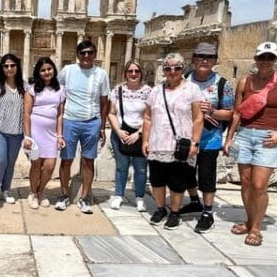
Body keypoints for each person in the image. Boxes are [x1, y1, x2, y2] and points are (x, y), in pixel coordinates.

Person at [223, 41, 277, 247]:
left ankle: (256, 228)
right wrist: (230, 137)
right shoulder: (245, 82)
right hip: (245, 135)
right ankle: (249, 221)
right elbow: (238, 112)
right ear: (256, 59)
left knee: (259, 185)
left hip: (269, 136)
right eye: (262, 57)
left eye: (270, 58)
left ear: (275, 60)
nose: (266, 61)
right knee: (246, 182)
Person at [141, 53, 203, 229]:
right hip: (157, 142)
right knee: (157, 180)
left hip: (180, 144)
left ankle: (175, 212)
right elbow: (147, 117)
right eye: (168, 68)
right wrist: (145, 141)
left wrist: (195, 142)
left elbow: (198, 118)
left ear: (182, 69)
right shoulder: (155, 91)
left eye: (176, 68)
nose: (172, 72)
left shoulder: (192, 90)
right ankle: (161, 208)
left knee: (177, 181)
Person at [180, 42, 234, 233]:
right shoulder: (184, 78)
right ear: (194, 59)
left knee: (206, 175)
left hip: (210, 138)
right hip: (186, 136)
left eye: (209, 57)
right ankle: (194, 201)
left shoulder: (222, 84)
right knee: (186, 172)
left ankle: (208, 212)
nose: (204, 60)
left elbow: (229, 114)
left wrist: (212, 110)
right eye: (200, 56)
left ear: (215, 61)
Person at [55, 40, 110, 214]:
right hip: (70, 120)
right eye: (83, 53)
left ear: (95, 54)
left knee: (88, 161)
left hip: (91, 122)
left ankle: (84, 198)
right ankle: (63, 194)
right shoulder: (67, 71)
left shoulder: (101, 74)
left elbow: (104, 101)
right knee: (66, 160)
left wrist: (101, 127)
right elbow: (58, 94)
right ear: (77, 55)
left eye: (90, 53)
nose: (86, 56)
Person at [107, 59, 151, 212]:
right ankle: (118, 195)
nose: (133, 74)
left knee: (140, 168)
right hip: (120, 133)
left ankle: (139, 197)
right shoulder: (118, 90)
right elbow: (111, 113)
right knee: (121, 166)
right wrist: (118, 131)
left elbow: (150, 116)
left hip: (140, 134)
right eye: (130, 71)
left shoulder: (148, 92)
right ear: (125, 73)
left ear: (141, 73)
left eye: (136, 71)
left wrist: (138, 134)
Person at [23, 57, 65, 209]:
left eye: (49, 69)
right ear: (38, 73)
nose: (47, 72)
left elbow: (60, 114)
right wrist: (28, 136)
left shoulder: (60, 89)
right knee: (36, 164)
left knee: (49, 165)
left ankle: (41, 192)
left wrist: (60, 135)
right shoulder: (32, 89)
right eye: (43, 70)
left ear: (54, 69)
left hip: (51, 133)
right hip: (35, 132)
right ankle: (33, 193)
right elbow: (26, 113)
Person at [0, 53, 25, 209]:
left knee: (10, 163)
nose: (9, 68)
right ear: (2, 68)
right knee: (0, 162)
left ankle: (6, 189)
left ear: (17, 67)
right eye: (6, 66)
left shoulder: (24, 86)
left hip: (17, 131)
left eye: (12, 65)